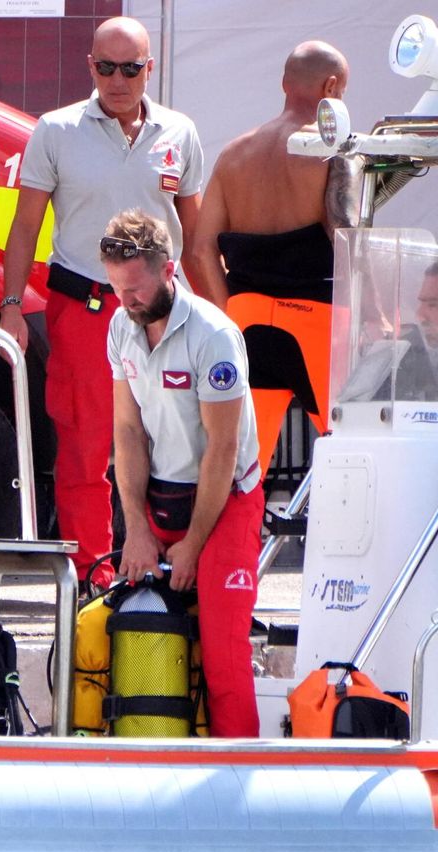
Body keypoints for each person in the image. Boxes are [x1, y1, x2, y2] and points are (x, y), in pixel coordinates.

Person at [0, 16, 205, 591]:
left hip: (164, 315)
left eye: (131, 68)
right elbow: (24, 226)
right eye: (107, 67)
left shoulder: (179, 132)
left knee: (174, 440)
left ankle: (169, 572)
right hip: (85, 308)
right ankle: (96, 575)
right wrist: (11, 305)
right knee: (89, 447)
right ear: (90, 66)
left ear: (149, 69)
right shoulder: (57, 130)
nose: (119, 80)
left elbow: (199, 233)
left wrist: (221, 316)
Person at [105, 210, 262, 738]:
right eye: (115, 287)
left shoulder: (214, 335)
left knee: (223, 658)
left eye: (134, 288)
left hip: (225, 500)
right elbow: (126, 433)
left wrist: (194, 543)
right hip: (160, 493)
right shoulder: (120, 328)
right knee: (130, 628)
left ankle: (236, 787)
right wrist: (136, 529)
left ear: (168, 268)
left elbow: (223, 448)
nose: (125, 301)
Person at [186, 41, 359, 479]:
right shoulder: (329, 148)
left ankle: (231, 548)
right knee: (350, 453)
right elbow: (348, 239)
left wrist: (229, 314)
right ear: (333, 86)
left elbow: (201, 248)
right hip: (316, 320)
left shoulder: (233, 153)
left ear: (284, 84)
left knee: (238, 468)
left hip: (246, 321)